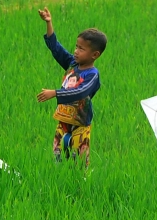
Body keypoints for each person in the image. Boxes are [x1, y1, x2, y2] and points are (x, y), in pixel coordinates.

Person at [37, 7, 107, 166]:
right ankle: (60, 180)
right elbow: (56, 49)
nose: (76, 51)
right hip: (63, 119)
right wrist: (49, 23)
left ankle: (80, 187)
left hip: (80, 124)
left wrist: (55, 93)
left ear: (94, 55)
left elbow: (80, 92)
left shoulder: (92, 74)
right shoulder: (73, 64)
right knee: (58, 157)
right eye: (76, 46)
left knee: (79, 162)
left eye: (81, 49)